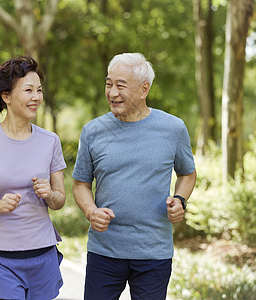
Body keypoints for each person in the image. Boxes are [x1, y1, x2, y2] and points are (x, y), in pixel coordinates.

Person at [72, 53, 197, 300]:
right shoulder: (93, 131)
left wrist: (180, 200)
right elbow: (80, 184)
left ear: (144, 89)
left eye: (121, 85)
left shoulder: (173, 128)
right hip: (104, 251)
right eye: (109, 84)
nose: (112, 92)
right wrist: (90, 211)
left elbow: (188, 173)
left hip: (154, 253)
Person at [0, 56, 67, 300]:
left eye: (39, 90)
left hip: (42, 254)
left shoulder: (50, 141)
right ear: (6, 96)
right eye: (28, 90)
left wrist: (50, 194)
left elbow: (60, 201)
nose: (36, 97)